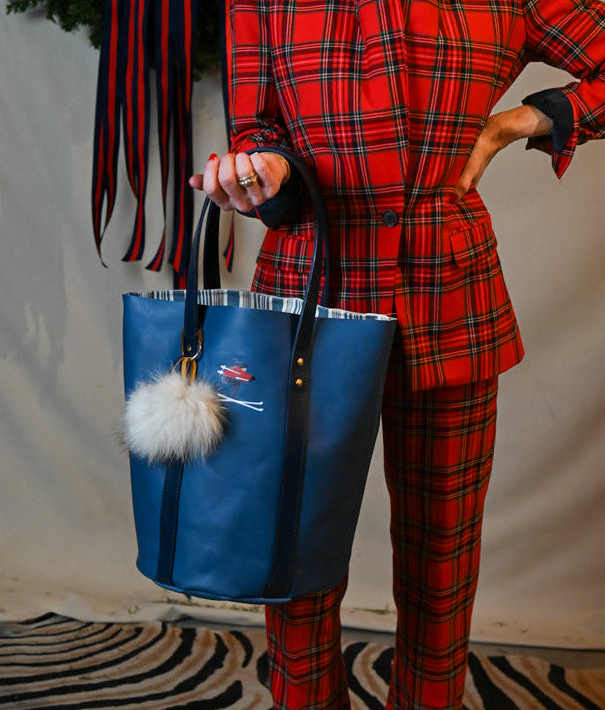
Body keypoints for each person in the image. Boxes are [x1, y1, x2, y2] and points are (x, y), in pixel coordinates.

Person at [190, 1, 605, 708]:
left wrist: (515, 123)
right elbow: (258, 130)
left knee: (442, 554)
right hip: (310, 298)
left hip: (450, 298)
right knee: (294, 548)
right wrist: (264, 171)